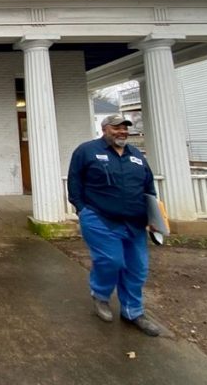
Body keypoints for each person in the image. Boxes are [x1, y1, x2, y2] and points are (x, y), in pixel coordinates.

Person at [67, 113, 162, 337]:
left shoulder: (136, 155)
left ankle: (133, 311)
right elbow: (75, 180)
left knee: (137, 268)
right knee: (111, 260)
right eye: (117, 127)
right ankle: (101, 296)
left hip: (135, 221)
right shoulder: (87, 151)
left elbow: (148, 187)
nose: (122, 131)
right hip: (100, 217)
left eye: (125, 128)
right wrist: (81, 208)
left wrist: (154, 216)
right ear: (105, 129)